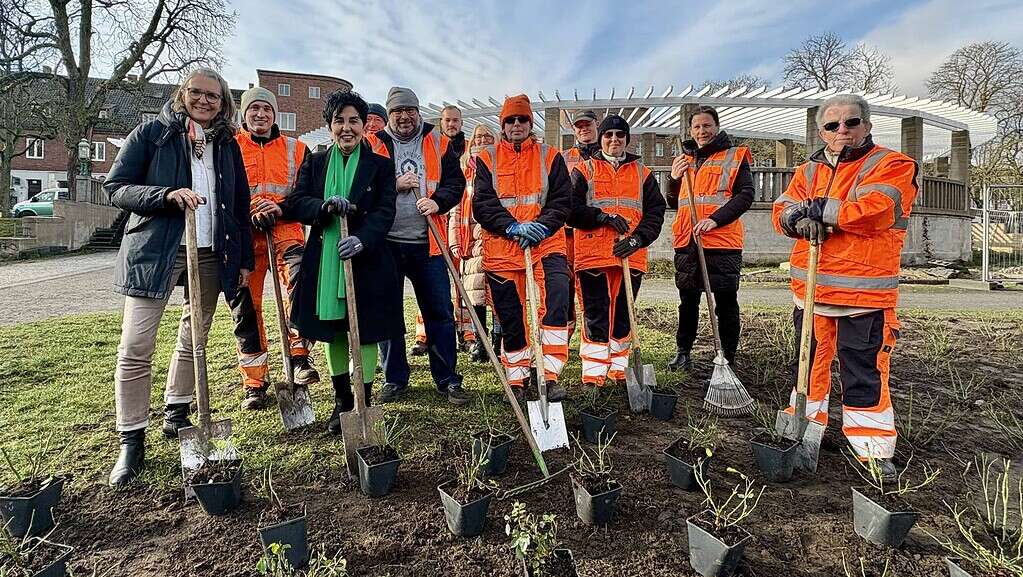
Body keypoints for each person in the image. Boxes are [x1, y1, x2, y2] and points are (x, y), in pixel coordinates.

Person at [105, 68, 253, 487]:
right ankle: (131, 438)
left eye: (214, 96)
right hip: (157, 250)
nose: (204, 101)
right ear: (182, 94)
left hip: (209, 250)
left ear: (224, 103)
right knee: (136, 344)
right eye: (197, 93)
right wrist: (165, 196)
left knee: (196, 336)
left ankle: (177, 409)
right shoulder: (152, 133)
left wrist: (241, 259)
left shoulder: (226, 145)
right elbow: (115, 187)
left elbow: (239, 205)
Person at [773, 94, 917, 478]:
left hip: (863, 294)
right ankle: (802, 429)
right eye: (832, 125)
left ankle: (871, 448)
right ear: (821, 131)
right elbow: (782, 208)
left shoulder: (892, 164)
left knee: (864, 369)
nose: (842, 131)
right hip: (812, 292)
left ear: (867, 126)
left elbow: (878, 210)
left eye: (851, 123)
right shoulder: (807, 170)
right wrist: (795, 220)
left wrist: (819, 210)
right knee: (807, 366)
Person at [277, 89, 403, 435]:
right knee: (334, 331)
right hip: (326, 261)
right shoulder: (316, 162)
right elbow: (297, 201)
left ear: (364, 126)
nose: (346, 128)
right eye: (339, 121)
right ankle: (342, 401)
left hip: (368, 261)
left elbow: (384, 211)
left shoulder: (380, 166)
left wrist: (363, 238)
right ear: (330, 126)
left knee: (365, 332)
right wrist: (323, 207)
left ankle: (364, 399)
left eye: (353, 121)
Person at [371, 87, 470, 405]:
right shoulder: (374, 144)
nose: (404, 116)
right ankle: (394, 378)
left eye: (409, 109)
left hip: (429, 244)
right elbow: (364, 186)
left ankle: (447, 379)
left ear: (418, 111)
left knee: (439, 312)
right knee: (388, 314)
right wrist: (393, 185)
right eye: (397, 111)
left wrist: (437, 202)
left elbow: (456, 183)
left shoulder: (438, 141)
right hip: (386, 244)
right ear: (390, 115)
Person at [473, 94, 571, 403]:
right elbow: (483, 204)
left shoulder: (550, 156)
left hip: (545, 246)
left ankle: (549, 374)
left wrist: (541, 225)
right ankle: (517, 378)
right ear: (503, 124)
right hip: (503, 251)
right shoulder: (487, 158)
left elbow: (561, 200)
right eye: (510, 120)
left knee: (555, 303)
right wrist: (511, 226)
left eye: (522, 119)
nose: (517, 124)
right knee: (511, 317)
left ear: (530, 123)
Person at [229, 87, 318, 410]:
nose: (261, 115)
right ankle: (254, 381)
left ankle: (299, 357)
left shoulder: (297, 149)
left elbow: (305, 195)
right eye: (254, 110)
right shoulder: (230, 147)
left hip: (286, 232)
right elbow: (225, 192)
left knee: (300, 284)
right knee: (245, 310)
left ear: (275, 115)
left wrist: (278, 209)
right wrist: (253, 209)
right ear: (244, 114)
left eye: (267, 109)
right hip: (244, 239)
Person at [568, 114, 665, 388]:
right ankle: (593, 374)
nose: (613, 140)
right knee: (596, 313)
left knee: (624, 313)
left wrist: (637, 240)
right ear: (601, 139)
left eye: (619, 135)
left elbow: (655, 213)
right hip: (593, 254)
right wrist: (602, 217)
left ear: (627, 139)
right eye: (608, 135)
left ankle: (620, 369)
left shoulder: (642, 173)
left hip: (630, 255)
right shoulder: (584, 170)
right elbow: (570, 210)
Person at [666, 106, 754, 371]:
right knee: (688, 301)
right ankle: (683, 351)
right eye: (696, 127)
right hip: (687, 240)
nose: (702, 132)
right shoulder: (685, 159)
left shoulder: (734, 156)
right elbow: (673, 201)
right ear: (690, 130)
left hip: (721, 241)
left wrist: (715, 219)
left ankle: (727, 356)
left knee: (726, 301)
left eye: (706, 126)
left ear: (716, 127)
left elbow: (745, 195)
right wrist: (673, 178)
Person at [412, 104, 471, 355]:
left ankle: (467, 333)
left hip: (458, 221)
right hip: (433, 223)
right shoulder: (429, 146)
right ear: (441, 121)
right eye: (447, 120)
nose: (452, 124)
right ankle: (424, 335)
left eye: (456, 120)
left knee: (464, 283)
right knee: (432, 285)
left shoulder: (469, 151)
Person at [449, 124, 497, 363]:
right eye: (478, 136)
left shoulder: (501, 165)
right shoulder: (464, 171)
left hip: (496, 237)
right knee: (475, 295)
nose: (482, 140)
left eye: (488, 136)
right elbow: (456, 208)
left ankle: (499, 340)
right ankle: (481, 340)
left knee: (500, 294)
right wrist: (455, 239)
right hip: (471, 240)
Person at [560, 109, 601, 344]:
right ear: (574, 129)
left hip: (595, 234)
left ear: (597, 125)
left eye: (588, 124)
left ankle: (593, 340)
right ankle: (563, 341)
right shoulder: (563, 158)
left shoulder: (606, 156)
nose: (584, 128)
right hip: (566, 235)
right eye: (579, 125)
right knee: (563, 290)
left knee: (591, 291)